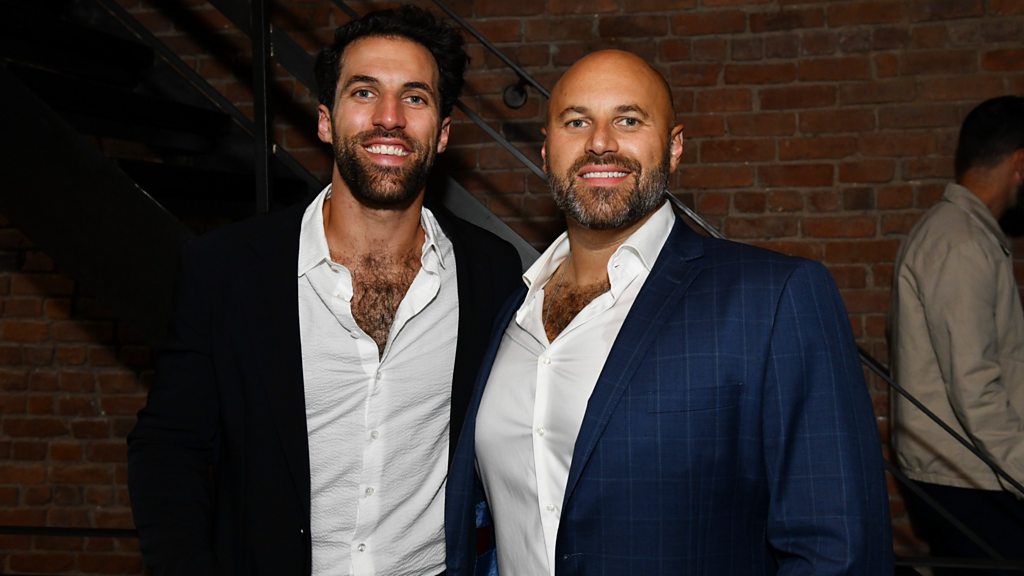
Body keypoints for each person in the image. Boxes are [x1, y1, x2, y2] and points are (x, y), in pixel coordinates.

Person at [445, 49, 893, 575]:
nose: (600, 143)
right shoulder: (510, 310)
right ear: (546, 152)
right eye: (577, 122)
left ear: (674, 147)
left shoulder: (771, 299)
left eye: (629, 121)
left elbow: (838, 550)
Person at [127, 6, 521, 575]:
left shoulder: (491, 272)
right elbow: (170, 445)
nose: (389, 118)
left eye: (414, 97)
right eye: (364, 92)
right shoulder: (227, 268)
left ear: (442, 134)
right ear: (325, 121)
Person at [890, 95, 1024, 574]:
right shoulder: (960, 242)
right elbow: (975, 388)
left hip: (973, 470)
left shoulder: (965, 233)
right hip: (967, 476)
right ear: (1020, 163)